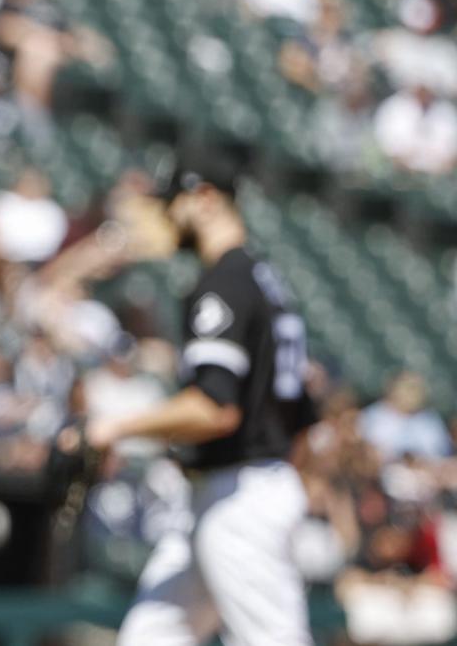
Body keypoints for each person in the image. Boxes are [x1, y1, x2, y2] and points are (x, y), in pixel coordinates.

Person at [87, 167, 319, 645]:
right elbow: (303, 412)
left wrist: (115, 427)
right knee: (151, 636)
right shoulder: (266, 281)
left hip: (240, 495)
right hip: (234, 487)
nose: (169, 216)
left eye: (174, 202)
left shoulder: (225, 282)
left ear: (206, 197)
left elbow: (216, 408)